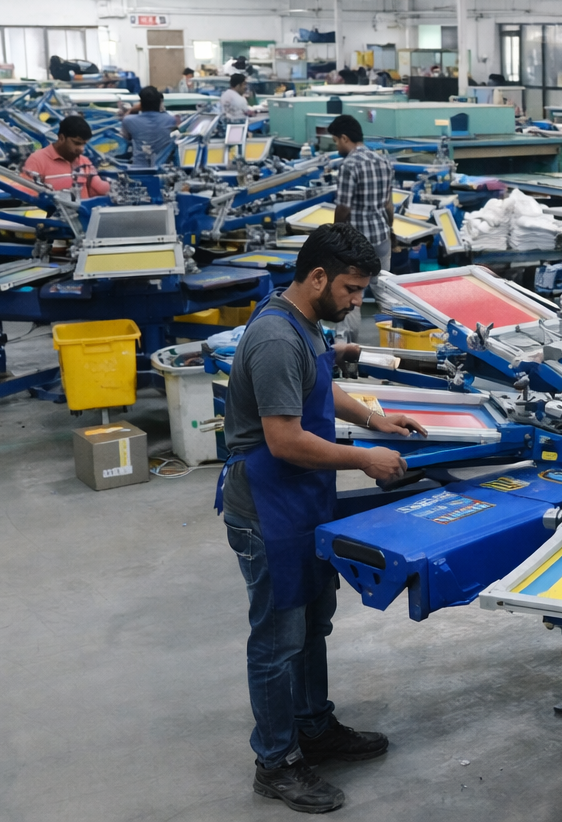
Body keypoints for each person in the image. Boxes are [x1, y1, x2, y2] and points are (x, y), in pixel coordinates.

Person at [217, 223, 425, 813]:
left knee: (312, 626)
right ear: (316, 277)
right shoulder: (275, 338)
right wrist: (364, 458)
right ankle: (276, 762)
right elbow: (284, 439)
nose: (356, 301)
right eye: (351, 289)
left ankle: (313, 726)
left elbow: (317, 386)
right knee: (278, 640)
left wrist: (373, 419)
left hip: (302, 501)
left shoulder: (303, 323)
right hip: (268, 511)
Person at [327, 114, 394, 343]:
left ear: (345, 138)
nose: (337, 146)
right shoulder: (383, 161)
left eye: (336, 141)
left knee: (351, 294)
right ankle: (393, 340)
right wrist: (390, 230)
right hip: (381, 237)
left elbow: (344, 207)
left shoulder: (349, 165)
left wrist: (335, 233)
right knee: (385, 292)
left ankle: (347, 347)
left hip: (357, 242)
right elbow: (388, 205)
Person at [21, 115, 110, 196]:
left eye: (84, 144)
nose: (81, 149)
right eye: (77, 143)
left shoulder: (84, 161)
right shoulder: (37, 160)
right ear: (61, 138)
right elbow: (26, 195)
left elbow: (99, 187)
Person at [122, 86, 178, 168]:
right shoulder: (171, 120)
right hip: (163, 168)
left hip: (139, 168)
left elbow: (125, 137)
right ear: (159, 102)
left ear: (140, 103)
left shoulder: (129, 120)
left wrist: (131, 109)